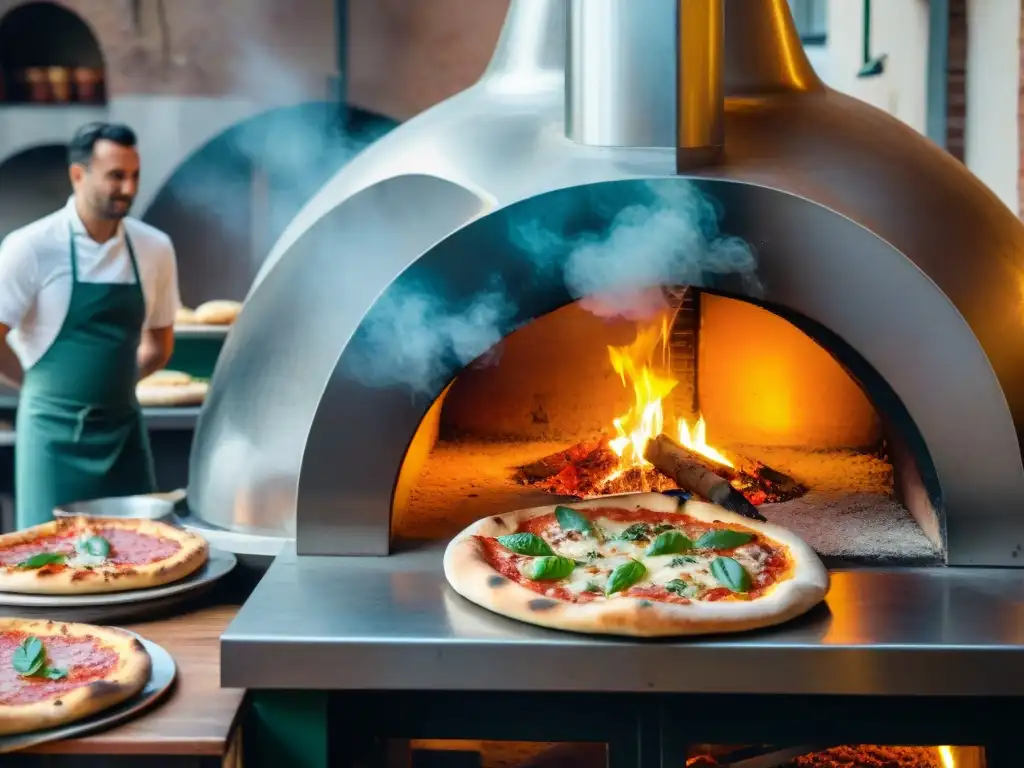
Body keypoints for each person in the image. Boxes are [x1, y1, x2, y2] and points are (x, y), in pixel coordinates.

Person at [0, 122, 181, 529]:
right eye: (116, 176)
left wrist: (112, 386)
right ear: (78, 175)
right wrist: (37, 388)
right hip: (51, 437)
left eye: (134, 175)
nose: (129, 189)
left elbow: (159, 347)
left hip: (125, 434)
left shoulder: (154, 248)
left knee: (140, 551)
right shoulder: (30, 247)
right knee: (50, 554)